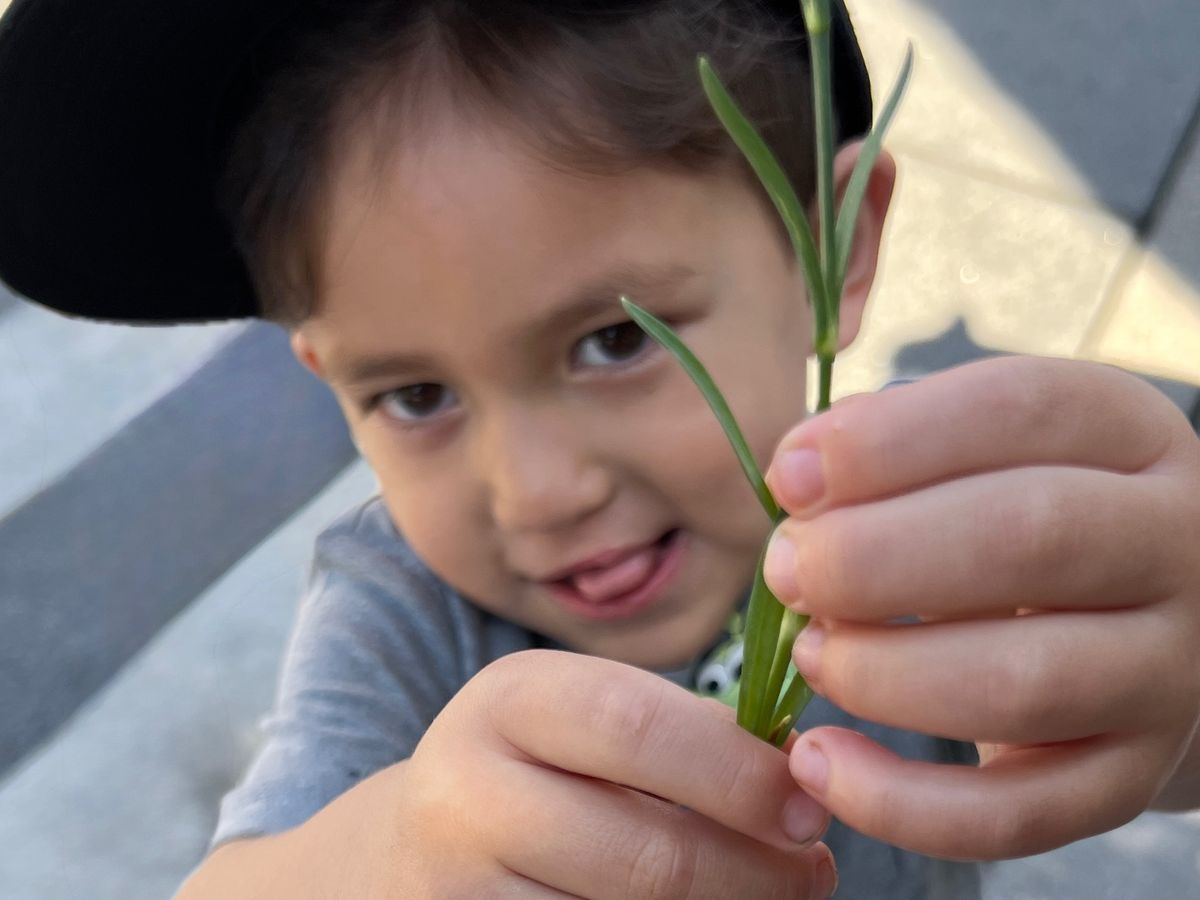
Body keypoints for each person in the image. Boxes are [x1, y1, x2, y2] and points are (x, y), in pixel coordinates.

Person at [2, 1, 1199, 897]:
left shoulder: (930, 524)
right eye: (416, 394)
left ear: (834, 245)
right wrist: (397, 857)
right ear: (326, 377)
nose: (539, 492)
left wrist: (1173, 677)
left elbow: (1148, 741)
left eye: (619, 339)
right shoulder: (403, 615)